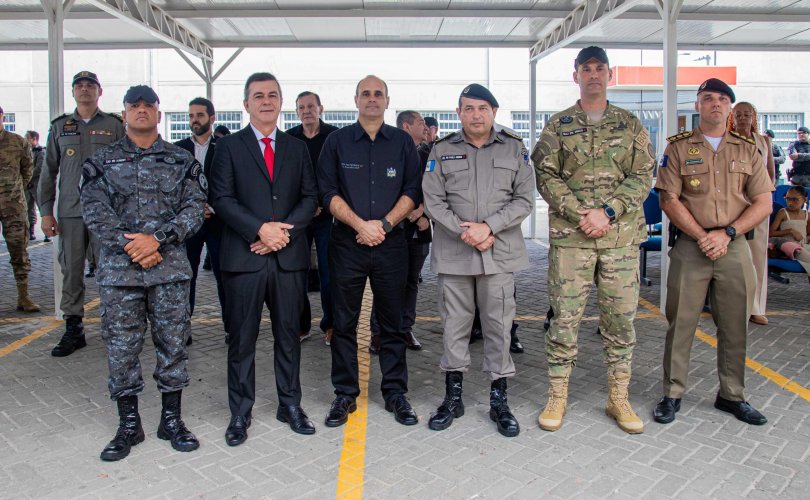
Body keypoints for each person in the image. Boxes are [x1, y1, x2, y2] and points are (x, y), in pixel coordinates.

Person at [532, 46, 654, 434]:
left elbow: (643, 175)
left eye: (600, 68)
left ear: (610, 75)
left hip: (619, 240)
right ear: (576, 76)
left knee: (620, 319)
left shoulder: (630, 124)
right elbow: (545, 174)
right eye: (586, 69)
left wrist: (609, 211)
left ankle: (618, 396)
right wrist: (578, 213)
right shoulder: (559, 124)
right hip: (572, 241)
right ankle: (557, 394)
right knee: (564, 319)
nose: (594, 75)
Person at [80, 85, 206, 461]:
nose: (140, 111)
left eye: (147, 106)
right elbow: (93, 209)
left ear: (158, 114)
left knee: (173, 345)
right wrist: (132, 244)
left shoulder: (182, 160)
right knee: (122, 349)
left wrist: (158, 240)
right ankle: (128, 426)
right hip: (121, 274)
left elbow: (196, 207)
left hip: (168, 271)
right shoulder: (101, 162)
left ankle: (171, 421)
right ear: (123, 114)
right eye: (133, 106)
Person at [653, 78, 773, 426]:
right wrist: (703, 235)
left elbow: (763, 201)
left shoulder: (748, 149)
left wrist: (728, 233)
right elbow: (668, 199)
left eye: (722, 99)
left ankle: (732, 395)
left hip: (734, 248)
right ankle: (672, 393)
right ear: (698, 106)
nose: (715, 104)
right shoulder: (677, 148)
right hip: (692, 248)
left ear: (730, 109)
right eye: (708, 98)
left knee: (735, 325)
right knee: (681, 324)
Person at [210, 73, 319, 445]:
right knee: (242, 338)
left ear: (281, 101)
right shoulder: (227, 148)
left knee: (289, 334)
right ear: (246, 104)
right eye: (259, 96)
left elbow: (310, 198)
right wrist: (259, 230)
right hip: (244, 258)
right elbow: (221, 199)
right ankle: (240, 412)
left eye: (273, 95)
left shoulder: (296, 147)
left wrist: (281, 234)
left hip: (287, 257)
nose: (266, 101)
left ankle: (290, 404)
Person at [422, 84, 535, 436]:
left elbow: (525, 199)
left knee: (499, 327)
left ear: (494, 113)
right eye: (468, 108)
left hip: (497, 254)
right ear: (458, 114)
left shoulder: (515, 149)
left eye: (482, 108)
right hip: (455, 254)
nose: (475, 115)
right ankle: (452, 397)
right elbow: (432, 199)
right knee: (454, 326)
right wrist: (464, 231)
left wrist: (489, 227)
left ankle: (499, 400)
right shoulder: (441, 150)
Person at [317, 75, 421, 428]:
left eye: (378, 94)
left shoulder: (403, 143)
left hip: (392, 245)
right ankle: (345, 392)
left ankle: (395, 392)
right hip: (348, 245)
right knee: (343, 322)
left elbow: (412, 190)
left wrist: (385, 225)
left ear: (387, 101)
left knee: (393, 324)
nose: (372, 99)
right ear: (356, 100)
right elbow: (327, 191)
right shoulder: (337, 142)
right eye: (366, 93)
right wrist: (361, 225)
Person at [39, 70, 125, 357]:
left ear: (100, 92)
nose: (85, 90)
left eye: (91, 86)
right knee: (71, 271)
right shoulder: (60, 127)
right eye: (80, 86)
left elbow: (126, 167)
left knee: (110, 270)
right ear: (73, 92)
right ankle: (73, 329)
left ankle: (114, 327)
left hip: (107, 212)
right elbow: (48, 172)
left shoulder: (114, 125)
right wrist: (46, 212)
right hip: (71, 211)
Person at [368, 110, 431, 353]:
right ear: (406, 126)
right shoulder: (389, 152)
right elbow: (388, 189)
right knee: (385, 283)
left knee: (411, 282)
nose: (425, 127)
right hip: (393, 230)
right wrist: (407, 213)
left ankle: (406, 328)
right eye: (421, 122)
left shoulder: (428, 153)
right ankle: (378, 332)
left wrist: (424, 212)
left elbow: (436, 187)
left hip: (420, 229)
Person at [286, 91, 339, 345]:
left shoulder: (334, 137)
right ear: (296, 112)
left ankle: (330, 325)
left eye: (311, 106)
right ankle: (301, 325)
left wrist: (321, 204)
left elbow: (338, 176)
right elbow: (285, 180)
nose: (307, 111)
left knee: (330, 272)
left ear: (321, 108)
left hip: (328, 215)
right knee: (297, 271)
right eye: (301, 107)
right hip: (299, 216)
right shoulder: (289, 140)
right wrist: (305, 207)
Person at [174, 97, 226, 344]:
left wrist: (212, 206)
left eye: (200, 115)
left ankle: (232, 328)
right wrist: (194, 208)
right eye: (191, 115)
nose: (195, 120)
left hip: (219, 222)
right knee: (187, 276)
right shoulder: (177, 148)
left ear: (212, 119)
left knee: (225, 276)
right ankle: (183, 327)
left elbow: (230, 182)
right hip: (188, 224)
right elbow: (173, 186)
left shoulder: (226, 146)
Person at [728, 102, 775, 326]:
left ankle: (756, 307)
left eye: (748, 114)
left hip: (758, 205)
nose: (744, 118)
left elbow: (770, 174)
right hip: (734, 205)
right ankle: (734, 307)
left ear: (754, 117)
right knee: (733, 259)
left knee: (757, 257)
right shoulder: (726, 139)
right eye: (739, 114)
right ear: (732, 117)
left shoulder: (764, 141)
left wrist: (763, 199)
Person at [0, 106, 40, 312]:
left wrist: (13, 191)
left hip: (14, 206)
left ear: (2, 117)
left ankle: (23, 297)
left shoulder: (18, 142)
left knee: (19, 251)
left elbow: (28, 171)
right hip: (13, 202)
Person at [769, 185, 810, 277]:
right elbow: (771, 233)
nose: (790, 203)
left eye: (795, 199)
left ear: (804, 199)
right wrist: (790, 231)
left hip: (803, 246)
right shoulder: (783, 212)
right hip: (788, 247)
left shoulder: (807, 215)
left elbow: (808, 235)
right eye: (787, 199)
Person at [24, 130, 45, 241]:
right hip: (27, 185)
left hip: (37, 184)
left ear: (34, 139)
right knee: (28, 208)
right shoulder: (25, 151)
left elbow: (39, 168)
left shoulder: (40, 152)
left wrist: (27, 176)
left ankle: (47, 231)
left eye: (28, 138)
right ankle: (30, 231)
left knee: (42, 207)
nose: (26, 140)